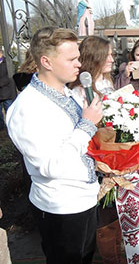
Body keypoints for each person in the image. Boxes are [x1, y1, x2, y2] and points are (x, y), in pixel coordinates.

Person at [6, 27, 103, 263]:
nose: (79, 64)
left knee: (86, 257)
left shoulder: (66, 93)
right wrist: (87, 126)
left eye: (78, 57)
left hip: (86, 197)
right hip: (61, 206)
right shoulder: (28, 107)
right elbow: (51, 165)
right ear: (46, 61)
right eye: (71, 59)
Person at [68, 36, 122, 264]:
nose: (112, 58)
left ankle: (117, 248)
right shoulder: (80, 92)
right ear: (95, 57)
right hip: (96, 160)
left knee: (115, 209)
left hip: (115, 155)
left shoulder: (108, 83)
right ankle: (109, 255)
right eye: (107, 54)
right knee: (104, 211)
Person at [0, 48, 16, 130]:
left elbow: (9, 76)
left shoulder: (8, 63)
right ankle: (2, 129)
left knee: (9, 112)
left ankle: (11, 128)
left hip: (8, 93)